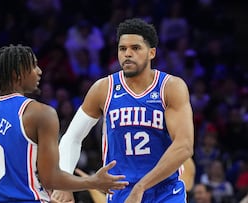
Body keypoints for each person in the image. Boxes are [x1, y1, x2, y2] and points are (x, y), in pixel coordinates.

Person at [52, 18, 194, 202]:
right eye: (122, 49)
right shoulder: (103, 89)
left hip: (165, 191)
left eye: (135, 48)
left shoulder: (170, 87)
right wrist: (65, 182)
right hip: (121, 191)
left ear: (151, 53)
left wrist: (142, 186)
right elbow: (72, 137)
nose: (127, 54)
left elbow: (184, 146)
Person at [0, 44, 128, 202]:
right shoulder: (40, 113)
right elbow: (50, 179)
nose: (39, 71)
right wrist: (93, 182)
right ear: (18, 74)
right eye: (34, 66)